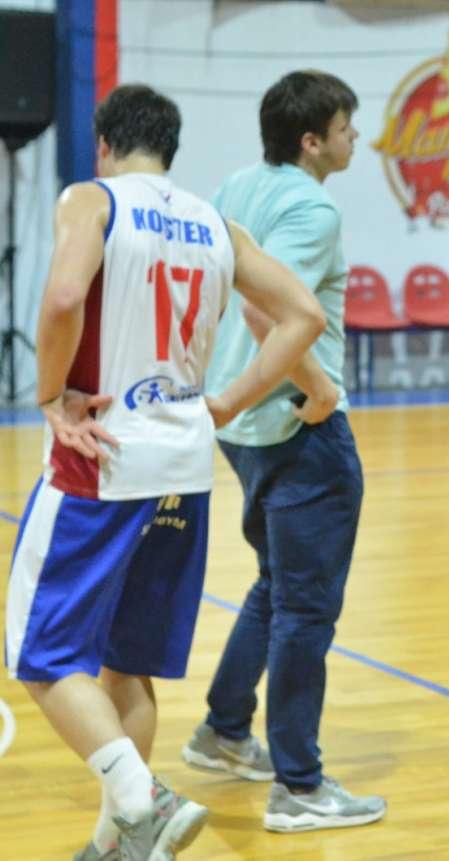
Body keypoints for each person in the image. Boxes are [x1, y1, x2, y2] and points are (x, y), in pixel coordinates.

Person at [4, 83, 325, 861]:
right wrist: (226, 403)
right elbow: (305, 316)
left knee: (39, 650)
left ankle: (141, 795)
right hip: (184, 460)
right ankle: (122, 843)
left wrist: (48, 394)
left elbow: (65, 295)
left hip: (102, 456)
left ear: (104, 145)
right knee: (127, 663)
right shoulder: (216, 223)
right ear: (169, 149)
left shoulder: (93, 198)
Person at [179, 70, 385, 832]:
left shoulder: (237, 185)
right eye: (346, 126)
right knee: (306, 608)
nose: (355, 137)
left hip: (248, 431)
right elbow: (270, 312)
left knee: (277, 585)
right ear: (312, 140)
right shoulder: (313, 208)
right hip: (295, 424)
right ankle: (299, 785)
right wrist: (319, 388)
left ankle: (224, 729)